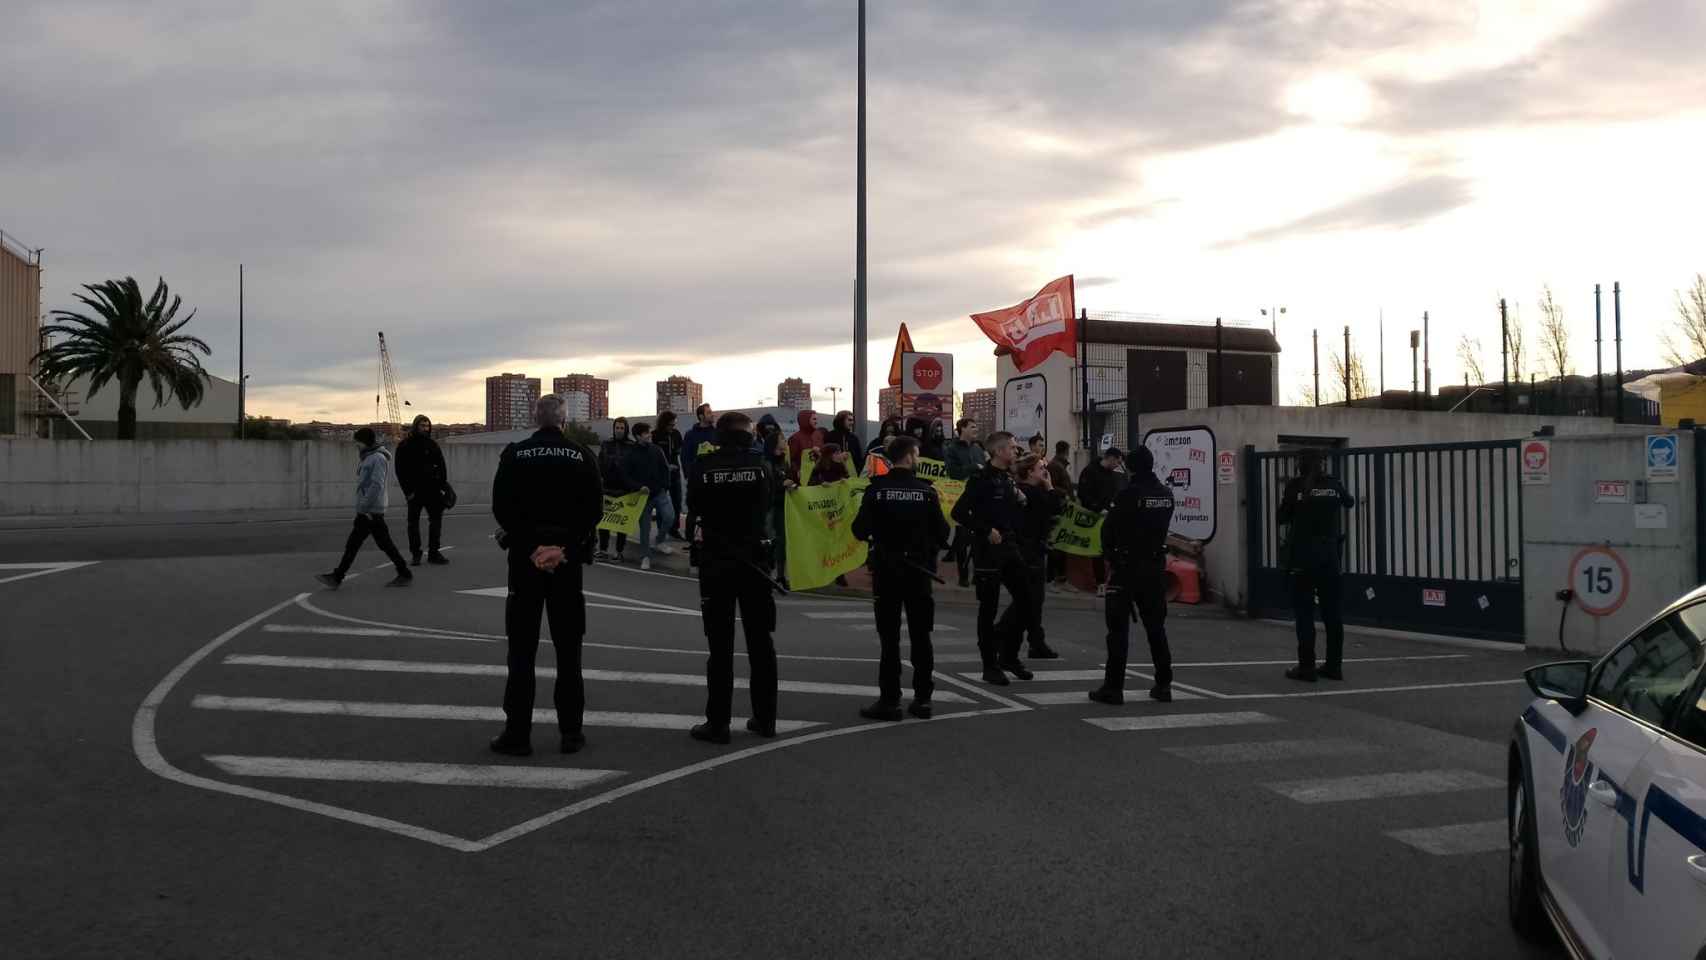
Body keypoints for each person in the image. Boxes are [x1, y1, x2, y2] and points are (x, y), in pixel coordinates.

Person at [488, 395, 604, 756]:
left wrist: (530, 546)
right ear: (564, 421)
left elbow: (501, 506)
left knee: (521, 652)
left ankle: (517, 734)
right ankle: (571, 733)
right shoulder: (583, 456)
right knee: (569, 652)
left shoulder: (515, 454)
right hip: (566, 565)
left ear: (536, 420)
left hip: (525, 563)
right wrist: (563, 547)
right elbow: (594, 509)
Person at [686, 411, 782, 744]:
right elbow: (770, 502)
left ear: (719, 436)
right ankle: (766, 718)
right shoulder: (762, 467)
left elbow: (694, 504)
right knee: (761, 644)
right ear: (749, 436)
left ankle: (718, 723)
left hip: (717, 563)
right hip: (755, 563)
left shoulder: (704, 468)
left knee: (720, 646)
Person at [851, 435, 950, 721]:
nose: (918, 458)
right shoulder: (927, 492)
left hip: (886, 572)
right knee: (921, 637)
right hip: (919, 573)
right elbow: (943, 534)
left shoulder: (876, 491)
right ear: (909, 456)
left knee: (889, 639)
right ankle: (923, 700)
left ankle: (890, 700)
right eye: (917, 454)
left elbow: (859, 530)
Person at [1091, 446, 1176, 705]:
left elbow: (1109, 531)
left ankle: (1113, 688)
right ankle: (1164, 684)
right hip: (1154, 568)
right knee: (1156, 628)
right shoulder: (1166, 494)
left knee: (1117, 631)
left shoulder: (1128, 494)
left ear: (1130, 467)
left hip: (1127, 568)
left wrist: (1112, 557)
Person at [952, 431, 1034, 685]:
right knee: (988, 608)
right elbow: (959, 512)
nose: (1016, 450)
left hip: (1010, 546)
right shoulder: (980, 479)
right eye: (1011, 447)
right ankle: (990, 665)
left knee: (1028, 599)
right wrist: (985, 530)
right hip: (988, 551)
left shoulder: (1007, 477)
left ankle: (1008, 653)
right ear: (999, 451)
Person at [1279, 449, 1356, 682]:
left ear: (1300, 464)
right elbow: (1349, 502)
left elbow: (1282, 516)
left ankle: (1307, 667)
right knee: (1333, 614)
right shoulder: (1333, 484)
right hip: (1330, 557)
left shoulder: (1297, 486)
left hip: (1303, 557)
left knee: (1304, 614)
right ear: (1322, 464)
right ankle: (1334, 665)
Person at [317, 427, 413, 589]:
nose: (356, 445)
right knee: (370, 544)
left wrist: (364, 508)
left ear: (364, 442)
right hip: (369, 510)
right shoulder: (368, 457)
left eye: (357, 442)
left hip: (370, 510)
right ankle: (338, 576)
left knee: (363, 545)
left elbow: (376, 485)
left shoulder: (377, 459)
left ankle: (338, 577)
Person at [1002, 452, 1065, 660]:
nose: (1045, 472)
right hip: (1029, 552)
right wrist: (1049, 486)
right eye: (1041, 469)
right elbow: (1057, 507)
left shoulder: (1023, 491)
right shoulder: (1033, 493)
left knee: (1032, 600)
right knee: (1029, 600)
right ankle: (1000, 634)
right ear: (1030, 473)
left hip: (1029, 550)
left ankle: (1036, 642)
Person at [394, 414, 451, 566]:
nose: (425, 429)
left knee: (436, 522)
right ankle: (416, 554)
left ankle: (434, 552)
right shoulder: (405, 445)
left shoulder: (433, 445)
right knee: (413, 523)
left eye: (427, 426)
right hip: (415, 492)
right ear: (415, 426)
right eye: (422, 426)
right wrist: (408, 492)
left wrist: (443, 487)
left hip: (432, 490)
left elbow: (441, 467)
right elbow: (400, 471)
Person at [943, 418, 987, 588]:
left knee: (979, 537)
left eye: (977, 426)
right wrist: (974, 467)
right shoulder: (951, 449)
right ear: (962, 429)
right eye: (973, 426)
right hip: (960, 497)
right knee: (962, 538)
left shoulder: (977, 449)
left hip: (978, 497)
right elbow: (953, 473)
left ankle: (978, 574)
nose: (976, 429)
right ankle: (963, 575)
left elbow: (984, 469)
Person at [1077, 447, 1128, 593]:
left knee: (1112, 549)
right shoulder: (1089, 471)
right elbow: (1083, 494)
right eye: (1117, 462)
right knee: (1097, 551)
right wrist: (1098, 508)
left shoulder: (1112, 475)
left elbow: (1114, 494)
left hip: (1109, 517)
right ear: (1111, 458)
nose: (1118, 465)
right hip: (1094, 517)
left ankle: (1111, 581)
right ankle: (1100, 583)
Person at [754, 413, 796, 587]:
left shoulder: (783, 462)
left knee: (782, 541)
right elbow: (767, 486)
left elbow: (787, 477)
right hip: (770, 507)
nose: (785, 441)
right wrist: (782, 484)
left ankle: (780, 575)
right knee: (770, 540)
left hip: (782, 505)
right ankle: (767, 572)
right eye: (782, 439)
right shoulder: (766, 463)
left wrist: (792, 484)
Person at [628, 422, 677, 571]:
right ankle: (645, 556)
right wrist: (638, 487)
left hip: (660, 492)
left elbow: (665, 468)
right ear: (638, 436)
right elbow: (626, 475)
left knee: (670, 517)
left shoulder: (657, 450)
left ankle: (659, 541)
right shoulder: (631, 454)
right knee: (645, 528)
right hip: (643, 496)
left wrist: (665, 486)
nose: (650, 434)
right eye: (646, 433)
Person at [597, 417, 641, 562]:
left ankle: (619, 551)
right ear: (614, 428)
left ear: (626, 429)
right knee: (605, 522)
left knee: (622, 523)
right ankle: (603, 550)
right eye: (617, 428)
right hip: (608, 488)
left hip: (625, 490)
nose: (619, 430)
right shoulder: (606, 444)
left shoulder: (632, 446)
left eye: (622, 428)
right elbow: (600, 464)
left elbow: (635, 468)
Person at [1047, 441, 1076, 585]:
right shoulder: (1055, 466)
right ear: (1066, 450)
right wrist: (1066, 494)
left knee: (1060, 543)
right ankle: (1054, 577)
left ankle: (1059, 576)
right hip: (1059, 507)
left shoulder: (1058, 465)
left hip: (1063, 507)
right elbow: (1052, 486)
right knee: (1057, 544)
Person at [655, 410, 686, 538]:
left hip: (675, 474)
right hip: (660, 475)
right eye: (670, 425)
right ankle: (661, 530)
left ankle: (674, 529)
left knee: (677, 501)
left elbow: (679, 451)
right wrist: (666, 466)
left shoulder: (676, 434)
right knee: (660, 503)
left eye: (674, 425)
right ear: (664, 423)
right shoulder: (655, 436)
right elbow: (653, 457)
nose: (672, 427)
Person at [787, 409, 827, 485]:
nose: (816, 422)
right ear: (805, 420)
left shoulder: (818, 435)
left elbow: (823, 456)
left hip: (819, 478)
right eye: (814, 419)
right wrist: (797, 471)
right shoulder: (795, 438)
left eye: (816, 419)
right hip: (803, 478)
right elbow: (792, 460)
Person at [823, 411, 863, 476]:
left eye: (852, 420)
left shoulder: (853, 438)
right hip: (833, 475)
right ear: (841, 420)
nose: (852, 423)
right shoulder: (830, 436)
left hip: (851, 474)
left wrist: (858, 471)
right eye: (849, 420)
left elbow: (859, 458)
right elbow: (825, 457)